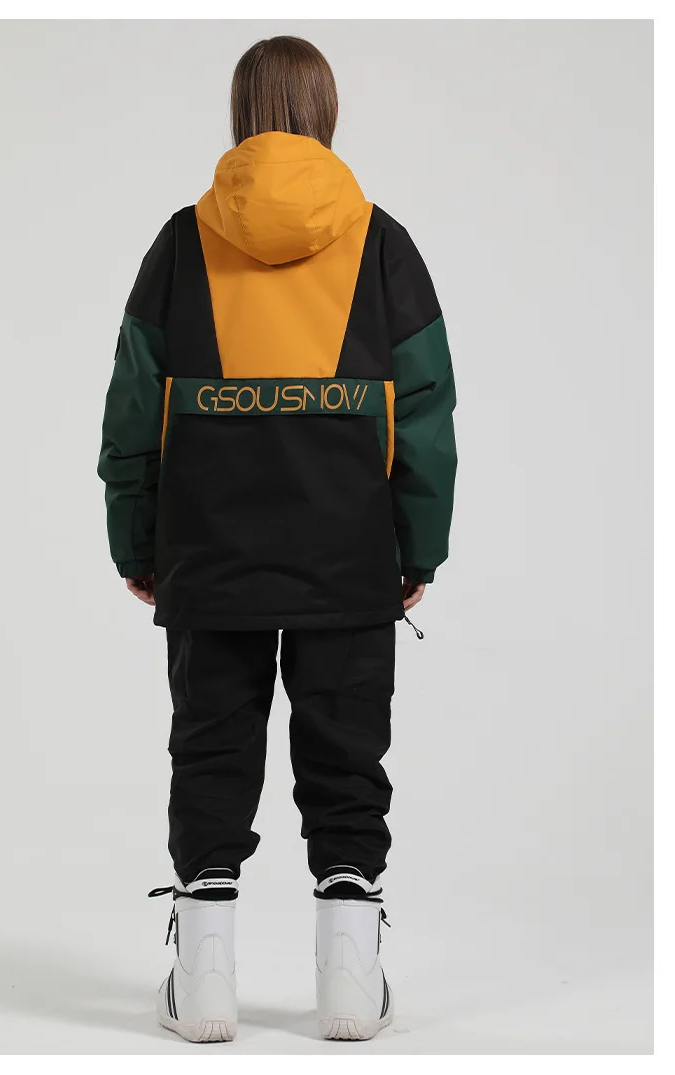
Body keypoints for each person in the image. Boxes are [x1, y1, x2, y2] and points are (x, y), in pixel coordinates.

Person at [98, 35, 457, 1043]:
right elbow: (426, 416)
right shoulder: (382, 243)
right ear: (326, 110)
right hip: (349, 558)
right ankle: (349, 979)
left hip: (208, 555)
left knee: (210, 747)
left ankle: (204, 982)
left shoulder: (182, 243)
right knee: (347, 754)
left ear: (239, 111)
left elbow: (132, 410)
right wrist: (416, 550)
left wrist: (137, 543)